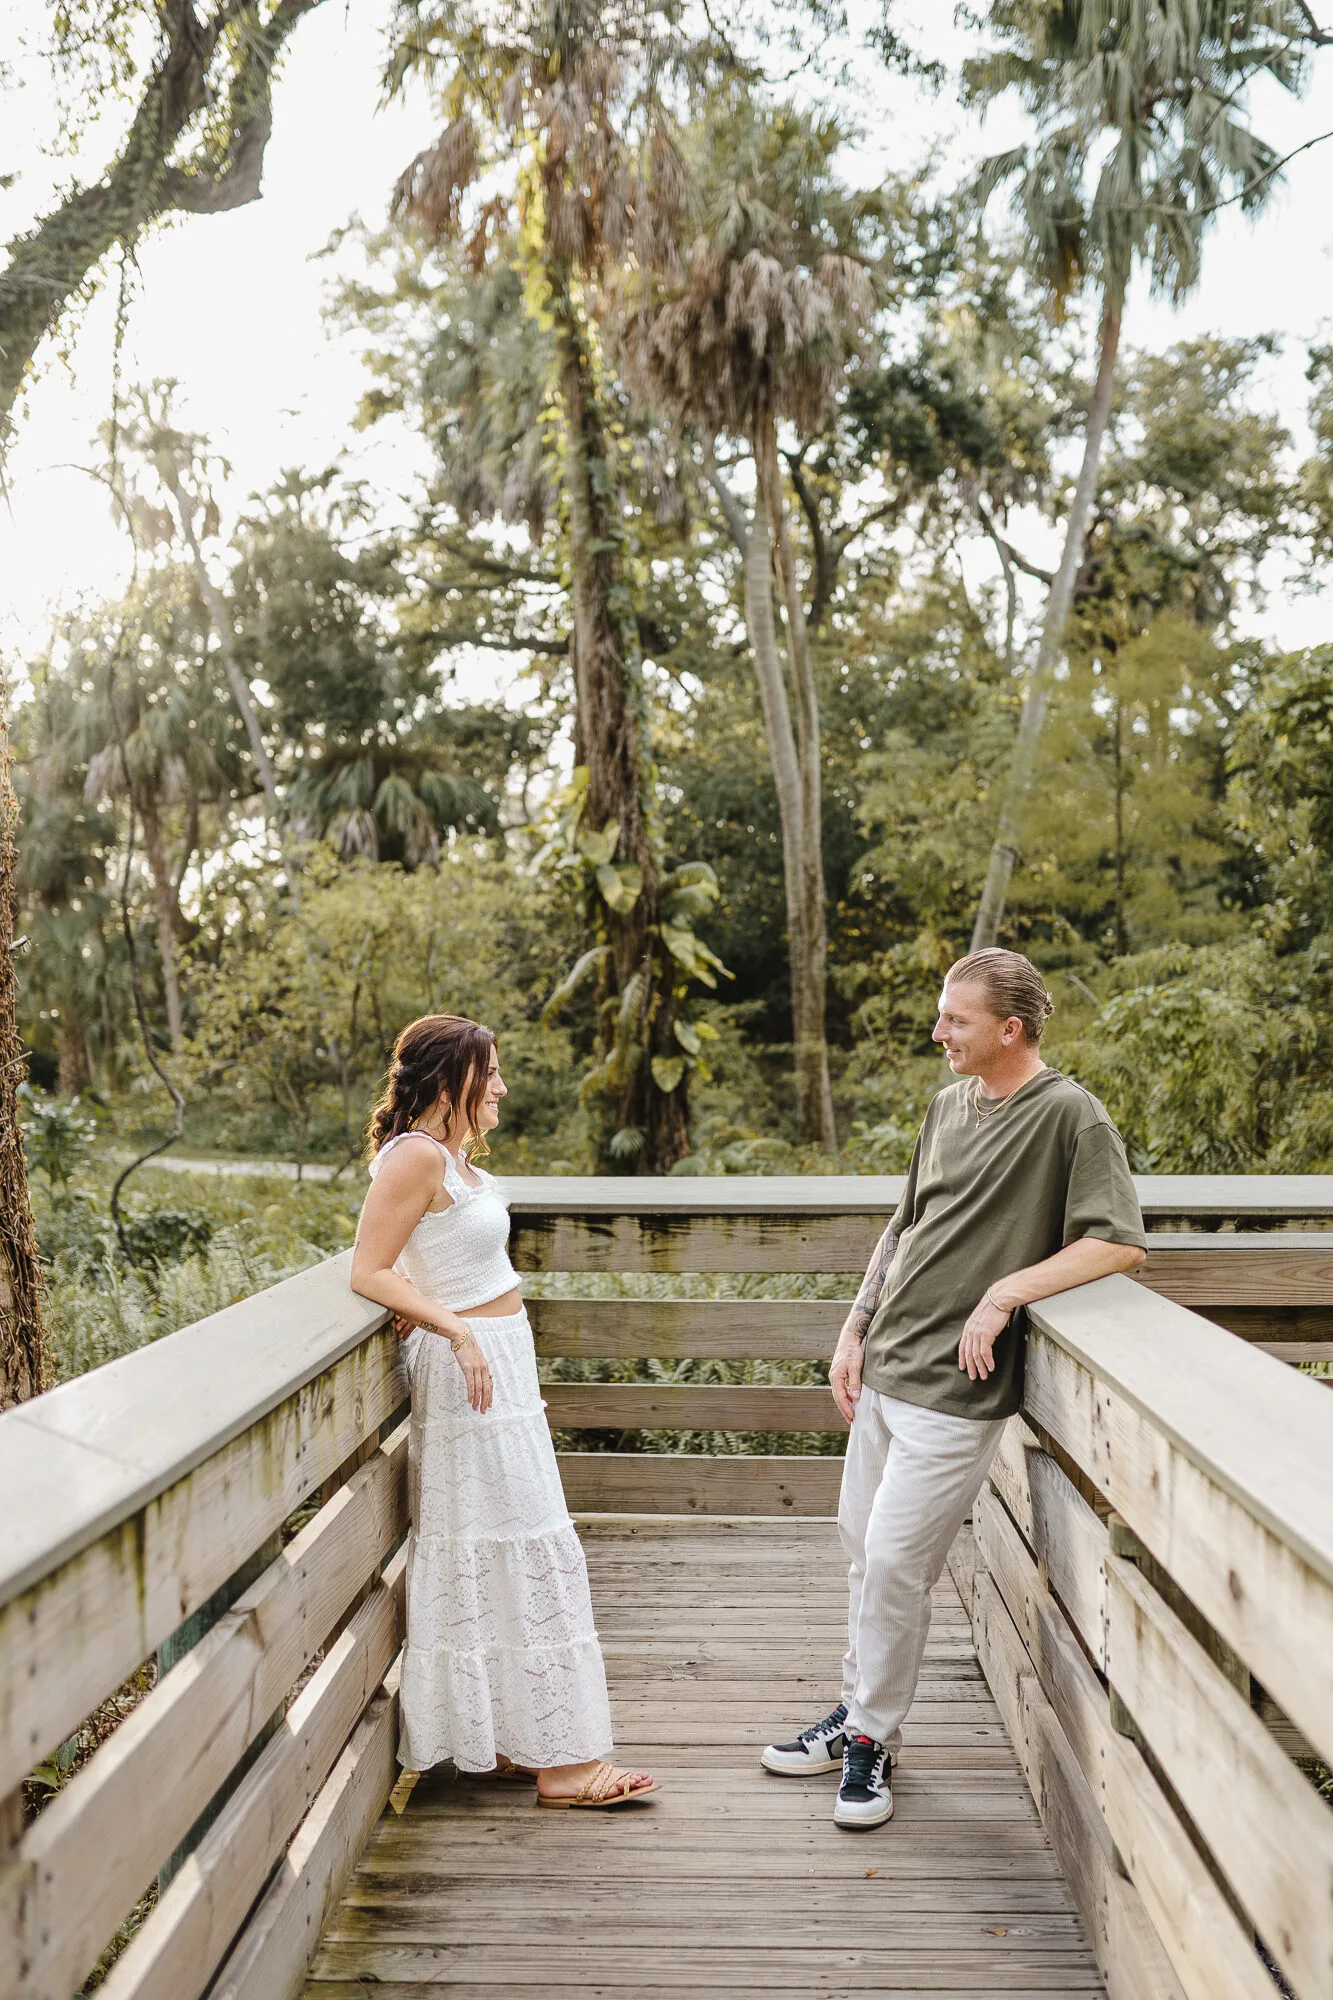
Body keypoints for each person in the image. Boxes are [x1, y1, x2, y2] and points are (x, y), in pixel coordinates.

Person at [761, 948, 1146, 1830]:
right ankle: (856, 1714)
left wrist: (1005, 1293)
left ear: (1010, 1028)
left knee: (897, 1561)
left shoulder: (1071, 1117)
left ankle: (871, 1738)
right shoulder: (947, 1106)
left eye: (954, 1019)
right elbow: (904, 1226)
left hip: (958, 1390)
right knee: (863, 1551)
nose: (938, 1032)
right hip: (887, 1365)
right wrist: (853, 1329)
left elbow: (1117, 1242)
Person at [350, 1013, 657, 1810]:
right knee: (518, 1540)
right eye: (489, 1073)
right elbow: (368, 1269)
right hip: (469, 1369)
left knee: (507, 1544)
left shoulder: (448, 1157)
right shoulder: (415, 1156)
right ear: (448, 1078)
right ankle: (565, 1765)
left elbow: (423, 1259)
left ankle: (510, 1742)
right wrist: (451, 1327)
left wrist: (440, 1312)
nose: (502, 1087)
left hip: (499, 1365)